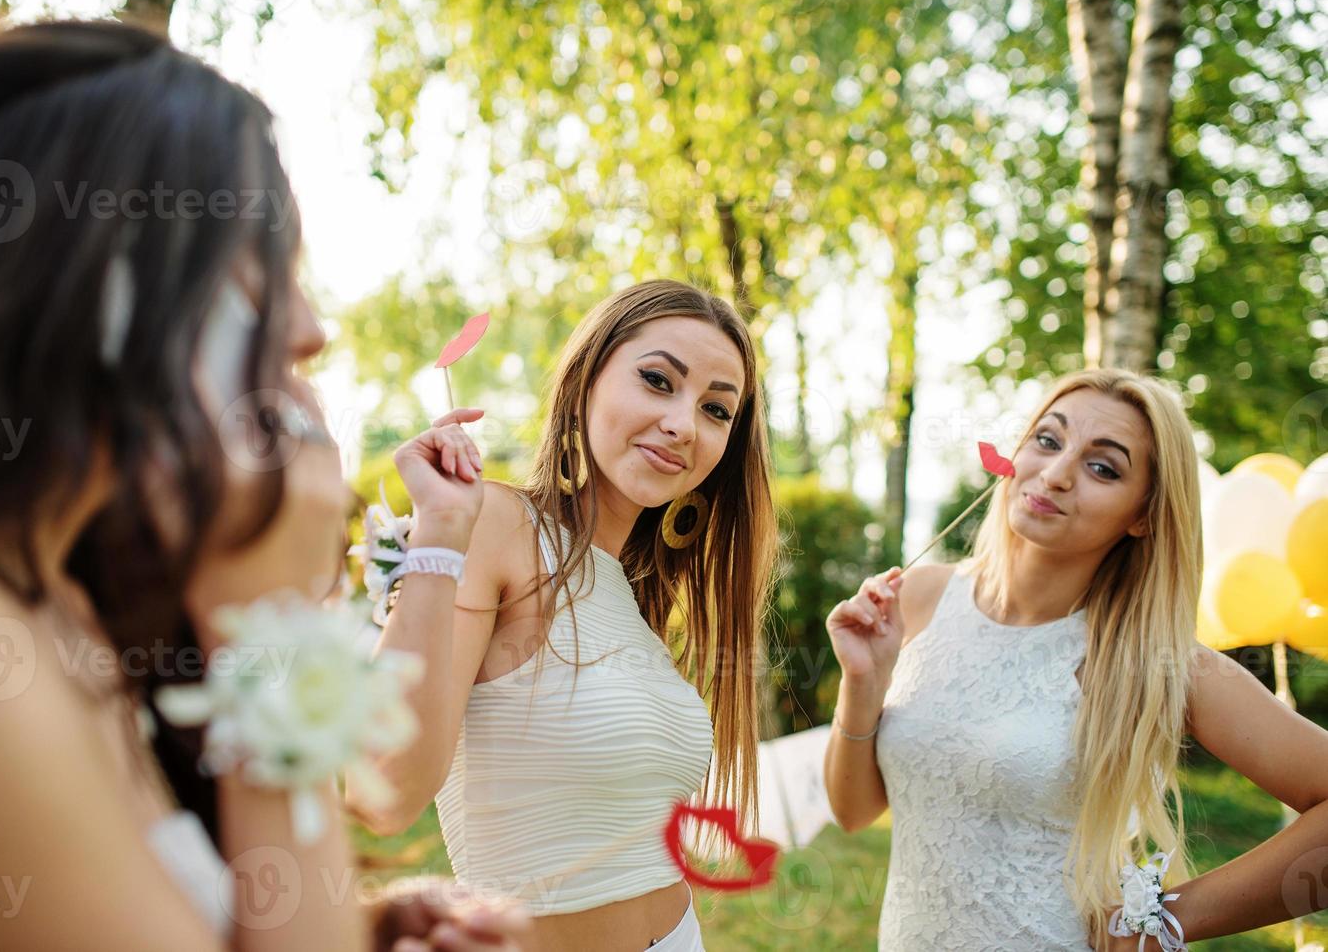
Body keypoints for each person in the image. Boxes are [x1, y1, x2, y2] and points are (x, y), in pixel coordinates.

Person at [0, 20, 526, 952]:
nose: (308, 329)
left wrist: (361, 927)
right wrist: (272, 622)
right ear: (93, 281)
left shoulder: (67, 594)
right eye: (259, 263)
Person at [823, 368, 1328, 950]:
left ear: (1143, 514)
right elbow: (854, 810)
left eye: (1103, 467)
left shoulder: (1152, 657)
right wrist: (863, 681)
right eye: (1047, 439)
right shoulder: (920, 596)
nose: (1057, 473)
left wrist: (1165, 919)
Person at [364, 280, 780, 951]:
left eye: (716, 410)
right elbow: (384, 789)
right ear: (585, 378)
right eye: (656, 380)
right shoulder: (497, 525)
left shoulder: (639, 602)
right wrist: (439, 535)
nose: (683, 423)